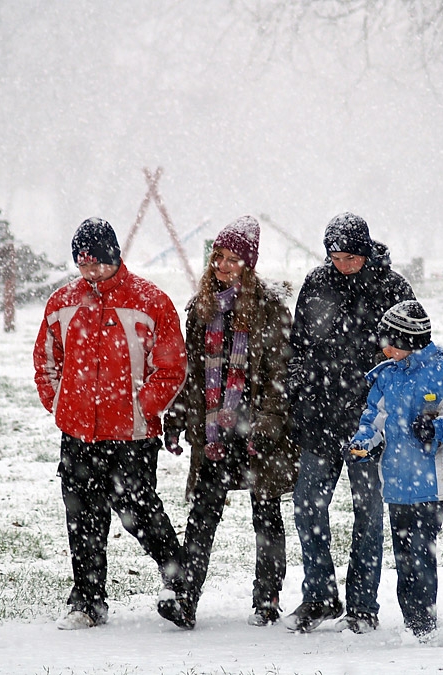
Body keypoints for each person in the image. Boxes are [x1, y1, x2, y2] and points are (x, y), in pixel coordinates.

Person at [33, 217, 188, 630]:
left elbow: (171, 367)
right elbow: (47, 361)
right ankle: (87, 600)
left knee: (139, 510)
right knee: (82, 516)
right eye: (83, 265)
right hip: (78, 433)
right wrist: (59, 405)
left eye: (97, 264)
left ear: (115, 257)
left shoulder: (151, 302)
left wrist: (143, 406)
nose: (90, 273)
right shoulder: (61, 303)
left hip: (132, 435)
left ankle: (180, 579)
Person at [160, 215, 299, 630]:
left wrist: (268, 425)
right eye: (218, 257)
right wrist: (178, 418)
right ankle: (185, 598)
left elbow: (280, 374)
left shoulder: (271, 310)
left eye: (233, 258)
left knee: (266, 515)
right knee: (202, 514)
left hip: (258, 432)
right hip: (215, 433)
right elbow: (193, 376)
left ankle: (267, 598)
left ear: (249, 263)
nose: (222, 265)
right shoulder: (200, 309)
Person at [283, 212, 415, 634]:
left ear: (365, 251)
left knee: (368, 513)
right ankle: (320, 596)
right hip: (320, 417)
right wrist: (299, 393)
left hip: (370, 422)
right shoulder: (316, 284)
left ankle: (362, 607)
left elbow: (412, 352)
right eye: (335, 256)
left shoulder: (392, 288)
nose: (342, 263)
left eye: (350, 257)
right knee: (307, 505)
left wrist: (387, 406)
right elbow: (298, 347)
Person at [343, 300, 443, 640]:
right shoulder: (386, 377)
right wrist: (363, 442)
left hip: (433, 484)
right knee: (404, 556)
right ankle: (413, 621)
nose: (384, 347)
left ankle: (423, 624)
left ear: (410, 340)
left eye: (390, 341)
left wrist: (438, 428)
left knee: (421, 554)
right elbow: (374, 419)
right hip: (395, 483)